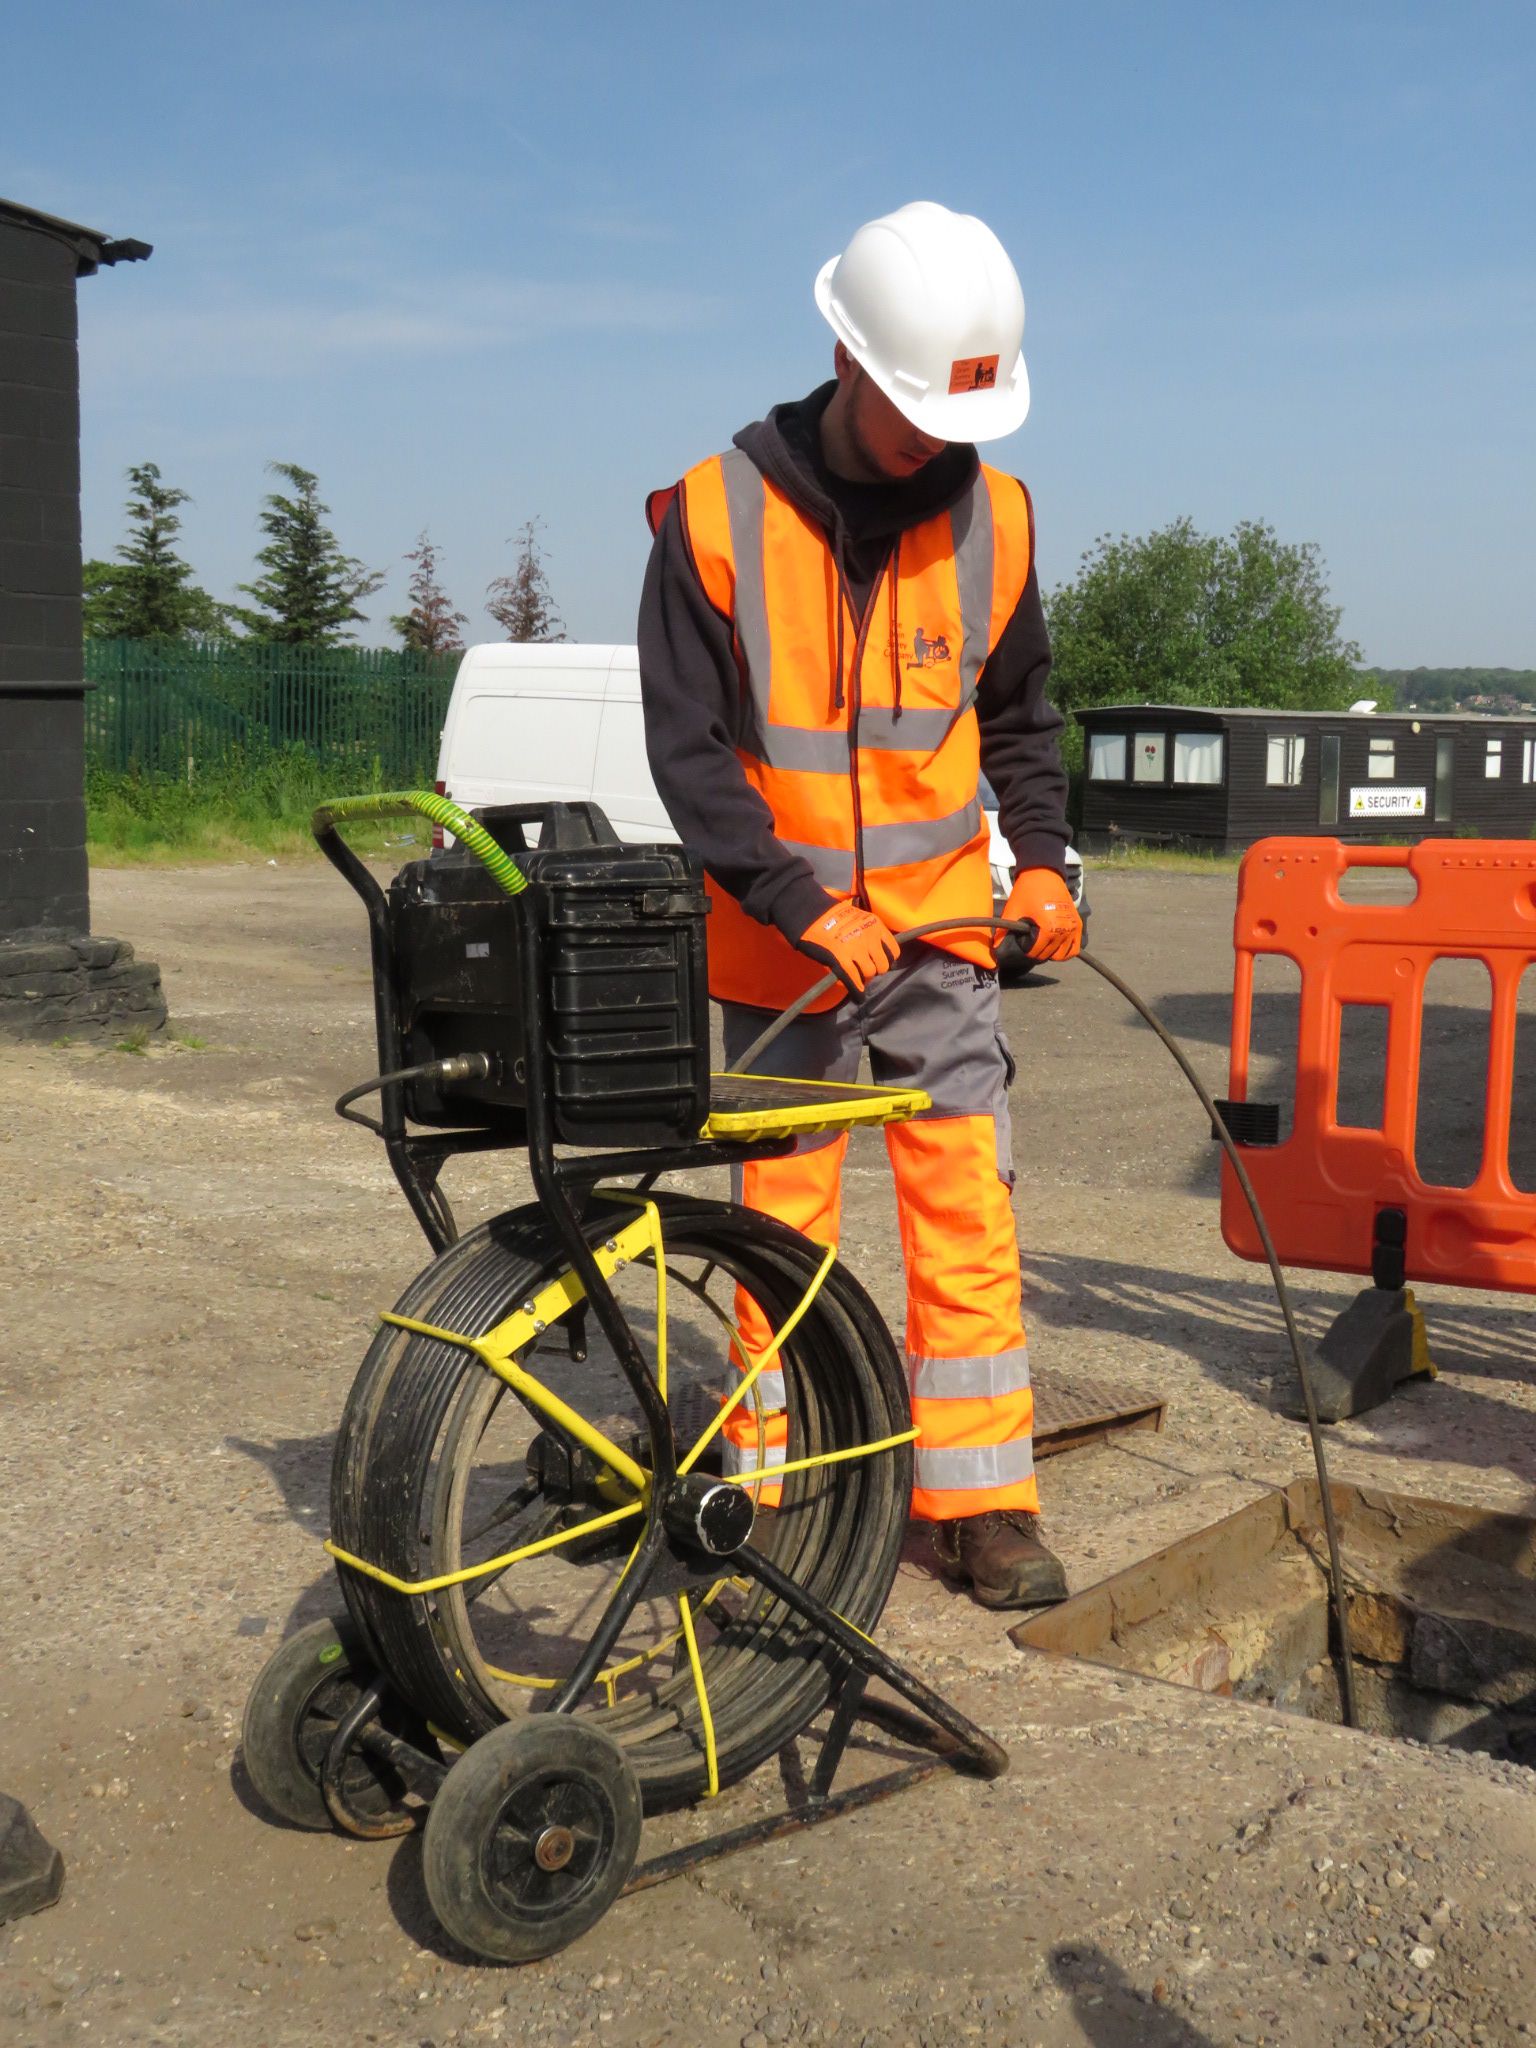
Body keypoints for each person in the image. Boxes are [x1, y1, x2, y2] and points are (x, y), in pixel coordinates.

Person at [637, 201, 1081, 1610]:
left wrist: (1049, 860)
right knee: (782, 1227)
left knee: (968, 1214)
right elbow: (688, 751)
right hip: (782, 950)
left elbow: (1018, 723)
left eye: (954, 420)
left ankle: (981, 1502)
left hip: (944, 941)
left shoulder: (995, 517)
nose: (931, 445)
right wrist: (793, 898)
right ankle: (779, 1492)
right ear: (844, 353)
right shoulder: (714, 515)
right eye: (905, 413)